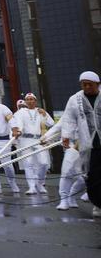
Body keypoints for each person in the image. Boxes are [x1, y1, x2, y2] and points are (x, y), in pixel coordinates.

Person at [59, 71, 101, 216]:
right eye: (84, 84)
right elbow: (69, 119)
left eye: (90, 84)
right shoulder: (75, 99)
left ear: (98, 84)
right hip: (89, 146)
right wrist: (66, 136)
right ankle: (97, 204)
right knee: (93, 177)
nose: (87, 87)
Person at [10, 93, 54, 195]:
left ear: (35, 101)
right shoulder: (21, 112)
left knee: (44, 163)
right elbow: (16, 123)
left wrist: (45, 114)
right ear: (25, 101)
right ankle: (31, 187)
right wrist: (17, 133)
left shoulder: (40, 111)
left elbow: (51, 123)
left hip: (39, 140)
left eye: (31, 99)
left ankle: (40, 183)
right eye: (27, 99)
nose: (30, 101)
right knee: (28, 163)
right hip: (25, 140)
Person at [0, 93, 20, 195]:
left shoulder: (2, 107)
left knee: (7, 165)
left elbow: (11, 119)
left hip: (4, 141)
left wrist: (15, 130)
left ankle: (12, 183)